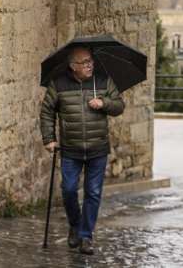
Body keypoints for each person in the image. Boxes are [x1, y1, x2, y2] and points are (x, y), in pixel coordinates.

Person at [40, 46, 125, 255]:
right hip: (71, 149)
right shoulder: (59, 84)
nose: (89, 65)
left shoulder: (103, 81)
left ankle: (86, 236)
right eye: (84, 62)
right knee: (68, 190)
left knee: (93, 193)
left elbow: (120, 106)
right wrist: (49, 139)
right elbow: (47, 111)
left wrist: (103, 103)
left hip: (97, 148)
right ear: (73, 66)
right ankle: (75, 225)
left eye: (90, 61)